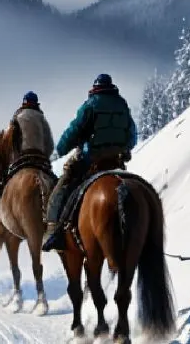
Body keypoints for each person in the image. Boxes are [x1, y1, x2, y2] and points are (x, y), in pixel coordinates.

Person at [42, 74, 137, 252]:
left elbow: (74, 129)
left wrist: (61, 149)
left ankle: (55, 231)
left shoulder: (90, 105)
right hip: (116, 159)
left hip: (92, 158)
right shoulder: (122, 104)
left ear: (95, 88)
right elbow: (132, 136)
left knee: (64, 185)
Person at [10, 91, 54, 160]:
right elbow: (50, 145)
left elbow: (11, 142)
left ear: (25, 102)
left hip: (21, 158)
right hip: (40, 159)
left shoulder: (17, 117)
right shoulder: (42, 119)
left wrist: (15, 159)